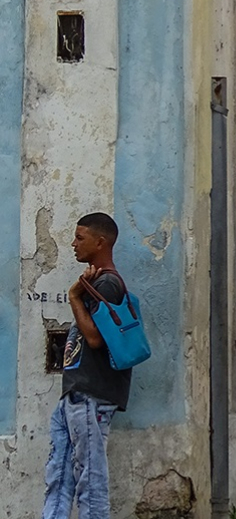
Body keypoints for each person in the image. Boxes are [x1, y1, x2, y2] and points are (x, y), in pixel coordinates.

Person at [44, 213, 131, 519]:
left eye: (80, 238)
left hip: (92, 396)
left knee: (90, 483)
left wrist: (74, 297)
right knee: (58, 477)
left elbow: (95, 338)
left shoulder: (107, 284)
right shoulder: (96, 283)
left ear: (100, 242)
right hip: (76, 396)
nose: (73, 244)